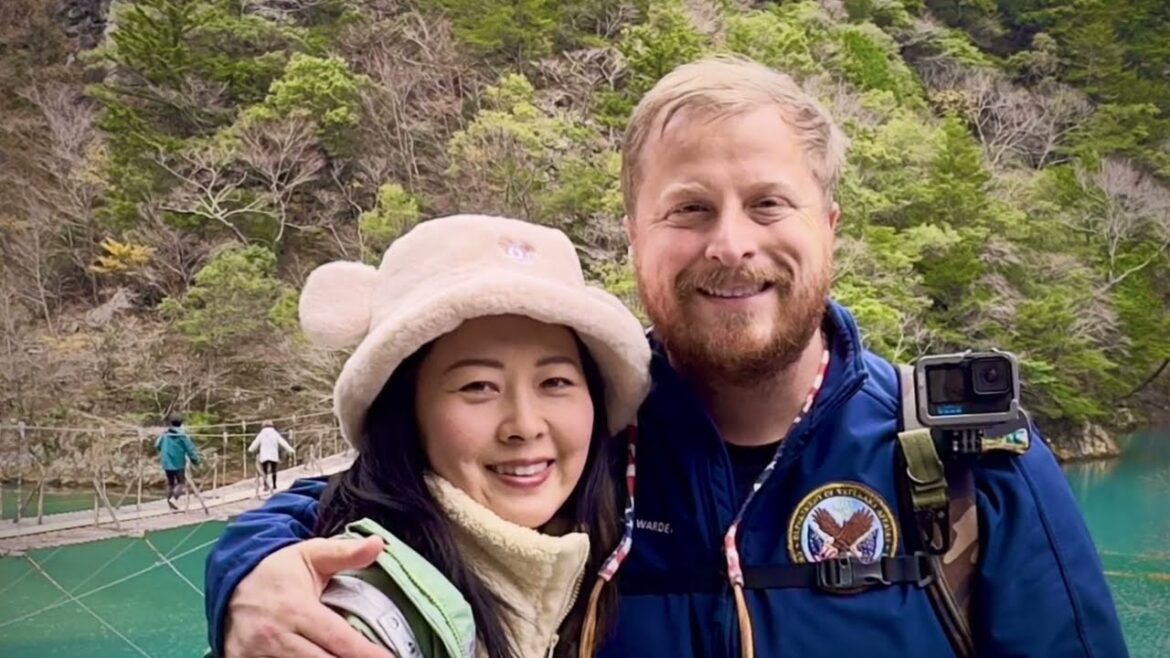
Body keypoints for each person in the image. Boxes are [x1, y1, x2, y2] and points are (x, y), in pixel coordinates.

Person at [203, 56, 1127, 658]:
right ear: (637, 239)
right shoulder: (583, 439)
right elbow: (376, 493)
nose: (730, 244)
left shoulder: (967, 464)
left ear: (829, 229)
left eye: (768, 204)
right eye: (689, 209)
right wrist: (248, 570)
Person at [208, 214, 649, 658]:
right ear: (405, 410)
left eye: (555, 382)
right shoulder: (348, 622)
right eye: (478, 386)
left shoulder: (599, 530)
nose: (525, 425)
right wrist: (248, 563)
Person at [155, 413, 202, 510]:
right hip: (178, 463)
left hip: (166, 463)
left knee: (171, 483)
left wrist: (164, 451)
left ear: (170, 423)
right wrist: (197, 461)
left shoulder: (165, 434)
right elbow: (190, 450)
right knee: (181, 483)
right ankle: (173, 499)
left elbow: (157, 445)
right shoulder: (182, 436)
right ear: (181, 423)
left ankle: (170, 503)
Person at [248, 421, 295, 491]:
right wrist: (291, 450)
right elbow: (283, 442)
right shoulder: (275, 434)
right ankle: (274, 485)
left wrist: (250, 449)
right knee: (274, 470)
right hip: (273, 454)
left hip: (264, 455)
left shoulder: (261, 434)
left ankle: (266, 486)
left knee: (264, 471)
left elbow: (255, 443)